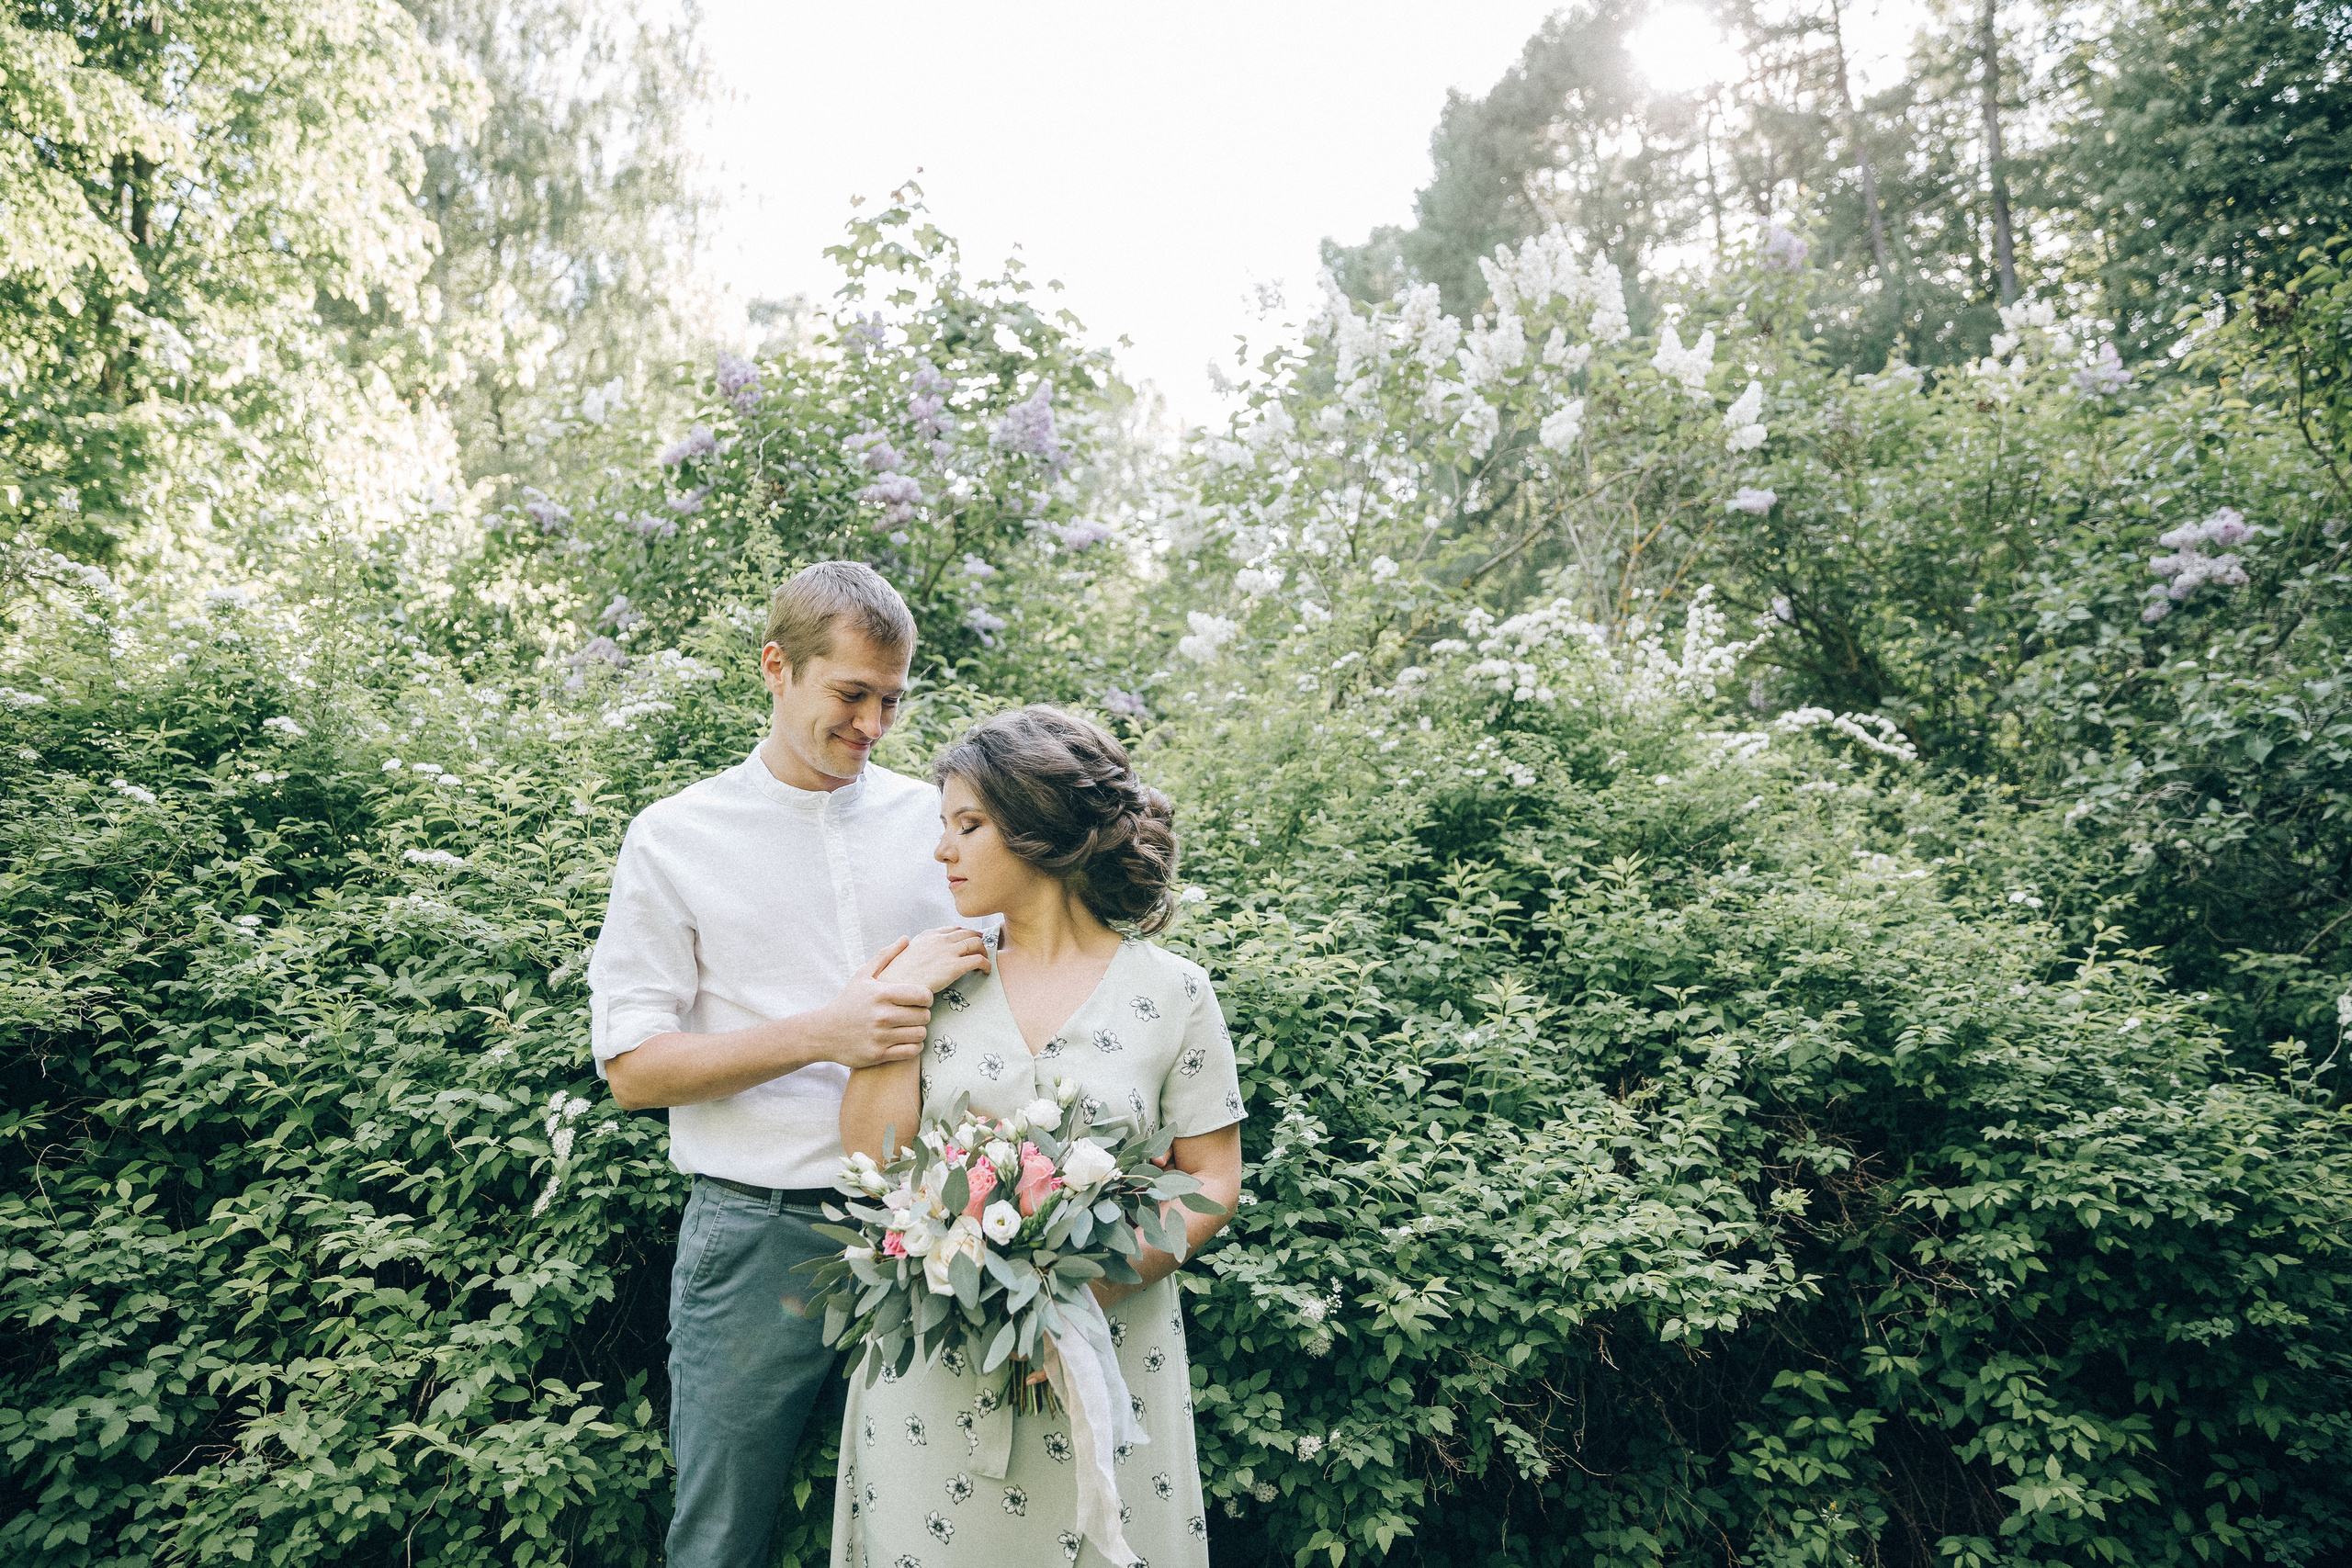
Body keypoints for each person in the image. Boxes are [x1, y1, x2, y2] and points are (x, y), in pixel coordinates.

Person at [588, 561, 990, 1568]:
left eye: (892, 700)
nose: (873, 724)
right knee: (723, 1534)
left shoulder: (939, 825)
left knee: (943, 1518)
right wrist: (826, 1032)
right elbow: (633, 1070)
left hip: (939, 1223)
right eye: (851, 694)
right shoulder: (675, 837)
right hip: (759, 1235)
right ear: (777, 667)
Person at [833, 705, 1248, 1568]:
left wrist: (1080, 1303)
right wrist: (901, 998)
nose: (942, 850)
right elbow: (876, 1164)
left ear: (1041, 831)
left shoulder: (1175, 992)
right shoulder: (937, 977)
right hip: (938, 1364)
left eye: (968, 825)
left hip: (1108, 1357)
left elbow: (1213, 1178)